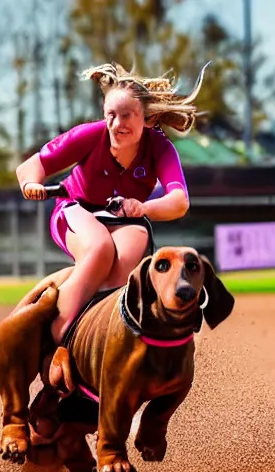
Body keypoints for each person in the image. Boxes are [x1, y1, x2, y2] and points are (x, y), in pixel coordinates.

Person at [14, 63, 202, 389]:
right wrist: (32, 183)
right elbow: (30, 167)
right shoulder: (90, 135)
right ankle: (55, 344)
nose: (116, 123)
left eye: (127, 115)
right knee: (99, 249)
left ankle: (103, 345)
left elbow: (179, 201)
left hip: (124, 218)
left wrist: (143, 207)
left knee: (130, 254)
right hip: (74, 210)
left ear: (147, 118)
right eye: (110, 115)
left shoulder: (159, 147)